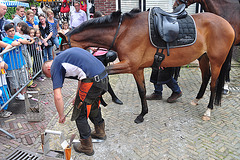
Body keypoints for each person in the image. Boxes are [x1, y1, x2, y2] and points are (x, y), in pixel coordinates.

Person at [42, 47, 108, 156]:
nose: (54, 77)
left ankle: (86, 146)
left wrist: (61, 115)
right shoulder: (64, 55)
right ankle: (100, 132)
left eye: (51, 76)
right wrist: (77, 96)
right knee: (93, 106)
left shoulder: (55, 66)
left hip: (92, 81)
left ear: (49, 69)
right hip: (103, 76)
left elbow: (58, 96)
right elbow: (81, 77)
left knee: (79, 113)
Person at [91, 11, 123, 105]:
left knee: (104, 77)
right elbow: (88, 42)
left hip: (106, 55)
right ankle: (113, 97)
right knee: (104, 77)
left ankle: (101, 97)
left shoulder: (104, 28)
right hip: (97, 56)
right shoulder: (93, 30)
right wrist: (93, 48)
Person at [2, 23, 33, 100]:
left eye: (13, 30)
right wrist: (19, 41)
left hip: (20, 62)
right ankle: (18, 94)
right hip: (11, 64)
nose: (12, 32)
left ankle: (24, 93)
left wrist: (21, 40)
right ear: (6, 32)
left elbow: (25, 41)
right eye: (10, 31)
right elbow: (14, 43)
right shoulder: (5, 39)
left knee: (24, 78)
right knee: (14, 81)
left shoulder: (16, 36)